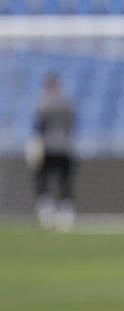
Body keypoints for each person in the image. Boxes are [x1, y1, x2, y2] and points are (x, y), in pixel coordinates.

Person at [31, 73, 76, 230]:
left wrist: (37, 145)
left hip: (49, 148)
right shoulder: (67, 103)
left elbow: (38, 127)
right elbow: (72, 125)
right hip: (65, 147)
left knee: (44, 180)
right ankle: (64, 214)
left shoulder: (44, 103)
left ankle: (47, 213)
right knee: (64, 182)